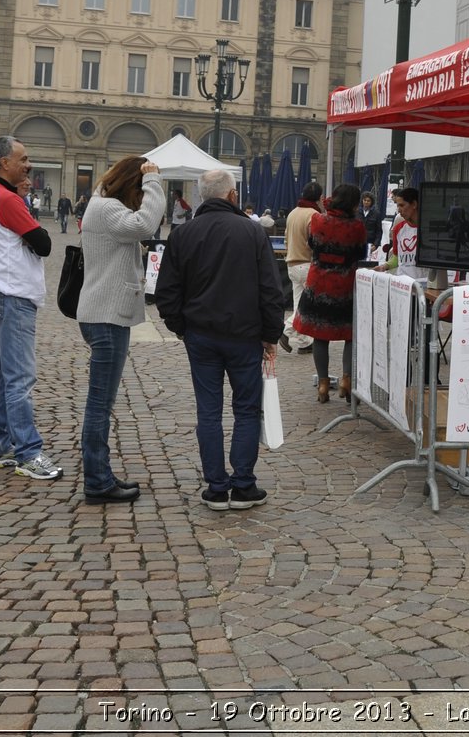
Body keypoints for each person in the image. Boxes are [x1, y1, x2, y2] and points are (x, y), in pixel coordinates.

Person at [156, 169, 285, 509]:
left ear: (201, 197)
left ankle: (216, 485)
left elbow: (166, 291)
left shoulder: (184, 234)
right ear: (232, 196)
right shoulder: (252, 232)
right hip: (244, 335)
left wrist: (180, 326)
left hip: (201, 334)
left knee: (208, 411)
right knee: (246, 409)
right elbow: (271, 290)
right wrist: (271, 334)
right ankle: (242, 484)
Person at [76, 155, 165, 504]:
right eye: (139, 191)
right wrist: (155, 181)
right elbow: (146, 225)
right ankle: (97, 481)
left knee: (101, 402)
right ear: (132, 183)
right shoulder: (108, 208)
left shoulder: (102, 206)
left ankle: (101, 473)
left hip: (104, 313)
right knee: (99, 404)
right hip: (106, 316)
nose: (141, 198)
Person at [0, 136, 61, 480]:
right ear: (4, 163)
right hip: (13, 294)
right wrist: (27, 217)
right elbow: (44, 244)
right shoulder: (8, 199)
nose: (28, 165)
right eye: (23, 159)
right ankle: (28, 452)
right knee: (19, 379)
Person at [296, 183, 368, 403]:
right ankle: (346, 379)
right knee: (350, 334)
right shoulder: (357, 226)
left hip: (319, 283)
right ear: (354, 203)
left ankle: (323, 384)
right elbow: (360, 253)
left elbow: (312, 244)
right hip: (345, 285)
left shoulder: (318, 220)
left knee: (320, 335)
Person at [281, 182, 323, 354]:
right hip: (307, 263)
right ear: (319, 198)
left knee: (300, 303)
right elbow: (316, 242)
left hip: (292, 263)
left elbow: (285, 239)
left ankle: (304, 342)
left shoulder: (292, 213)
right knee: (308, 306)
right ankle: (285, 329)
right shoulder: (313, 214)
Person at [387, 187, 428, 281]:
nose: (399, 210)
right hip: (403, 286)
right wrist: (385, 266)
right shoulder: (398, 228)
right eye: (397, 206)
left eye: (402, 205)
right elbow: (396, 258)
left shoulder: (430, 230)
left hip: (423, 285)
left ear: (414, 204)